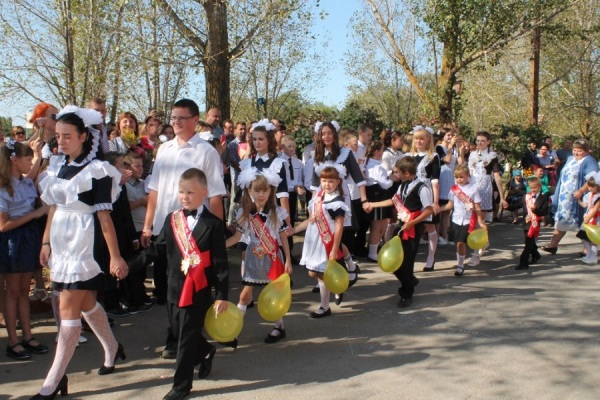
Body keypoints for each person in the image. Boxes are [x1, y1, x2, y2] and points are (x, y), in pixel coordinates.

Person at [32, 106, 128, 399]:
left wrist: (115, 256)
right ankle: (112, 347)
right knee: (86, 302)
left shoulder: (98, 171)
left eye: (67, 136)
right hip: (61, 242)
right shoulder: (58, 166)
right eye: (58, 136)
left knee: (68, 309)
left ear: (85, 136)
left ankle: (53, 381)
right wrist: (46, 242)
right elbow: (54, 207)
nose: (61, 142)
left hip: (84, 243)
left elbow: (104, 218)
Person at [130, 168, 229, 400]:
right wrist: (130, 266)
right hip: (174, 286)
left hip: (199, 289)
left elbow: (220, 262)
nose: (185, 197)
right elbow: (158, 249)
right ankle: (205, 351)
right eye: (182, 192)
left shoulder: (214, 224)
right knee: (178, 330)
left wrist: (222, 294)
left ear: (204, 193)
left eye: (190, 192)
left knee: (185, 338)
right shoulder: (172, 219)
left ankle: (181, 387)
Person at [142, 98, 226, 357]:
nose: (175, 123)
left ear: (194, 120)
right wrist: (147, 225)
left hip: (194, 231)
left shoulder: (205, 151)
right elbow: (154, 191)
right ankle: (175, 333)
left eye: (181, 118)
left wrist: (217, 233)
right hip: (166, 227)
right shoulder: (163, 149)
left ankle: (190, 337)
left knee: (194, 284)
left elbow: (215, 195)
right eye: (173, 118)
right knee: (167, 283)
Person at [225, 168, 292, 342]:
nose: (261, 194)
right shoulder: (245, 213)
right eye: (257, 190)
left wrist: (289, 260)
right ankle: (234, 329)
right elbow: (237, 237)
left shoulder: (277, 212)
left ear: (271, 191)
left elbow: (283, 237)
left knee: (273, 295)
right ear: (249, 191)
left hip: (273, 257)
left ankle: (279, 326)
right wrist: (219, 246)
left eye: (265, 190)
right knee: (245, 295)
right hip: (253, 257)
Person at [0, 139, 49, 360]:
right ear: (14, 160)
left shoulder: (26, 182)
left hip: (28, 238)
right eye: (27, 159)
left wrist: (38, 153)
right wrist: (34, 215)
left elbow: (32, 172)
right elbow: (3, 225)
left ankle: (27, 336)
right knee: (12, 292)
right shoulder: (2, 188)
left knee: (24, 291)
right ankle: (12, 341)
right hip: (12, 241)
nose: (31, 162)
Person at [365, 157, 433, 308]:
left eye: (398, 172)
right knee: (394, 262)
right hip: (401, 226)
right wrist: (372, 204)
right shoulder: (403, 185)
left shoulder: (422, 188)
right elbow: (394, 201)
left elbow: (429, 210)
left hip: (413, 229)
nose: (396, 175)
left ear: (407, 173)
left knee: (406, 263)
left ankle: (406, 293)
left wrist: (412, 223)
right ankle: (409, 280)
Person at [293, 165, 348, 317]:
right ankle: (338, 286)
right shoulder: (317, 198)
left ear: (338, 182)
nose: (326, 184)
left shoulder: (337, 203)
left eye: (331, 181)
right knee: (312, 273)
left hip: (326, 242)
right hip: (313, 240)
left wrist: (333, 249)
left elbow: (339, 228)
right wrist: (293, 231)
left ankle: (325, 306)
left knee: (321, 273)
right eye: (324, 180)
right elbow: (311, 220)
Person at [542, 139, 598, 254]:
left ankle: (587, 249)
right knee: (562, 220)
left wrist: (581, 190)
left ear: (586, 151)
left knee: (585, 222)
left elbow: (593, 179)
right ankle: (553, 245)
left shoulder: (589, 161)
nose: (576, 153)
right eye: (574, 150)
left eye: (579, 151)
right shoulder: (570, 159)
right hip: (565, 198)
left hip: (579, 199)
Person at [467, 131, 508, 266]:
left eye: (482, 141)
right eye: (477, 140)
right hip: (472, 188)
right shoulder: (472, 155)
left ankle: (476, 253)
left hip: (484, 190)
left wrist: (502, 197)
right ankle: (483, 241)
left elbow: (496, 177)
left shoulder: (492, 157)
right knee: (471, 221)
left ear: (489, 142)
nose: (479, 143)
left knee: (480, 221)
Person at [439, 165, 486, 276]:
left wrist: (480, 221)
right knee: (458, 243)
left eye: (461, 177)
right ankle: (460, 264)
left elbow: (477, 207)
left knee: (461, 242)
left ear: (467, 176)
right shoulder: (454, 189)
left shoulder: (473, 189)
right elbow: (450, 205)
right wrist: (438, 209)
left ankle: (461, 265)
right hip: (456, 219)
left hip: (468, 220)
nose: (459, 179)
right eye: (457, 177)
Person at [409, 126, 441, 271]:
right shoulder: (408, 156)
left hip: (426, 192)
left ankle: (431, 257)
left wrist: (435, 201)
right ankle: (409, 257)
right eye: (416, 138)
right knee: (410, 225)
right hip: (411, 193)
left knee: (429, 226)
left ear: (428, 140)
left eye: (421, 139)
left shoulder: (433, 157)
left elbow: (435, 180)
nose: (418, 141)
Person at [364, 141, 393, 261]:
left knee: (382, 223)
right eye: (381, 150)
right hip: (377, 196)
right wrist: (392, 179)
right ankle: (372, 252)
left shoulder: (374, 165)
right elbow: (385, 184)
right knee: (377, 225)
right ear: (376, 152)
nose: (382, 153)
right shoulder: (375, 166)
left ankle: (375, 250)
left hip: (379, 195)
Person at [516, 176, 549, 270]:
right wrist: (508, 205)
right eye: (531, 187)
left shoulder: (543, 198)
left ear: (540, 187)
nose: (533, 189)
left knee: (528, 243)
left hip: (535, 223)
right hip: (526, 222)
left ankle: (523, 262)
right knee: (528, 241)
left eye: (535, 187)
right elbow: (520, 205)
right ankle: (536, 255)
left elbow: (544, 212)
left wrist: (536, 210)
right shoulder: (526, 197)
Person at [575, 173, 600, 265]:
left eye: (592, 187)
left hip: (595, 220)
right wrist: (578, 200)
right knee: (584, 237)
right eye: (589, 186)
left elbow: (595, 209)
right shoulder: (589, 195)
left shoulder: (598, 197)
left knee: (594, 240)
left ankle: (593, 257)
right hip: (588, 218)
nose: (590, 188)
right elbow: (586, 205)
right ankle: (589, 254)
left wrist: (587, 219)